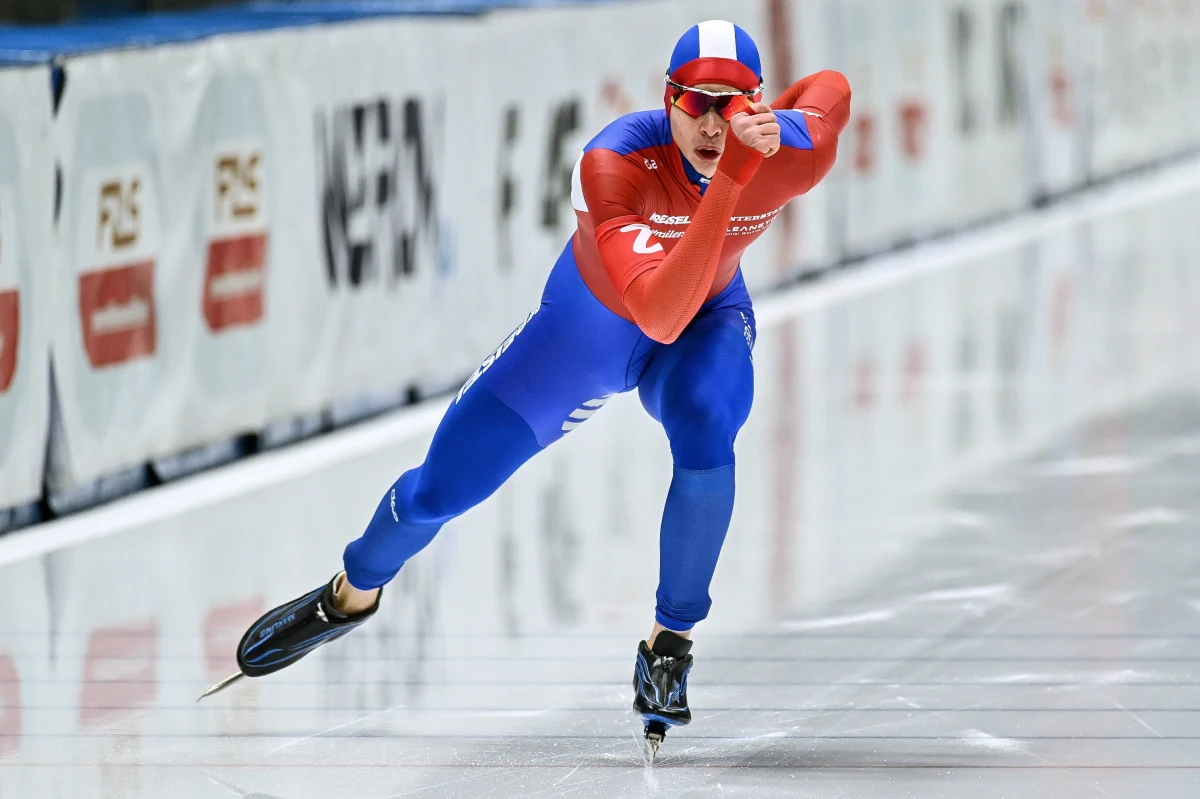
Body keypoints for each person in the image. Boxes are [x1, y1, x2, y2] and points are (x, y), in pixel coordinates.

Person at [209, 18, 850, 760]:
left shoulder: (788, 155)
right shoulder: (614, 162)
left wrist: (786, 123)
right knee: (434, 494)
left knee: (709, 421)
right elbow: (657, 310)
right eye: (696, 104)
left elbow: (832, 94)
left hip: (707, 321)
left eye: (732, 103)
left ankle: (670, 640)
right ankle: (349, 590)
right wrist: (736, 175)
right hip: (588, 335)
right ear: (666, 100)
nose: (713, 123)